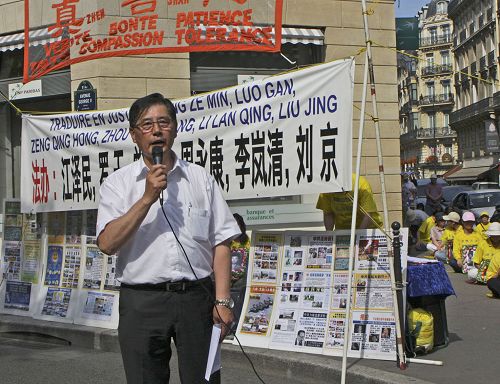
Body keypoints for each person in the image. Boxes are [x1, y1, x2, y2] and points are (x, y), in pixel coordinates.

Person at [96, 93, 240, 384]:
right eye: (147, 124)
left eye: (163, 122)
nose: (157, 130)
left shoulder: (201, 179)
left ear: (174, 128)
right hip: (142, 302)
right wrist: (147, 198)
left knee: (205, 379)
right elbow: (107, 244)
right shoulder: (117, 184)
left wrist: (223, 301)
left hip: (197, 299)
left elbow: (222, 241)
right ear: (134, 135)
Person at [316, 174, 383, 230]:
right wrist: (329, 236)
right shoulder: (327, 187)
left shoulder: (361, 184)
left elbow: (367, 215)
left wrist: (358, 237)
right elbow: (328, 213)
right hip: (343, 230)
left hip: (367, 228)